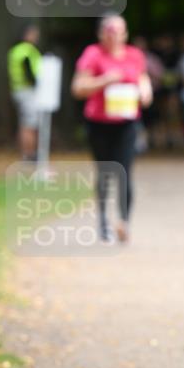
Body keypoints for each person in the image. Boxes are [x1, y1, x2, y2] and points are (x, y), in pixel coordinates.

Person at [71, 15, 153, 243]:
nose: (114, 35)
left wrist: (146, 92)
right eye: (110, 30)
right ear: (101, 33)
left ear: (125, 33)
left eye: (119, 30)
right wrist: (104, 81)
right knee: (105, 172)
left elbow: (143, 79)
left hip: (127, 122)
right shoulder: (93, 54)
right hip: (98, 123)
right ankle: (103, 222)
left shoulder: (134, 55)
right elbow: (77, 88)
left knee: (125, 172)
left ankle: (124, 222)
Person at [7, 24, 42, 160]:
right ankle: (29, 154)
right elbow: (28, 71)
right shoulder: (27, 51)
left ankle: (25, 152)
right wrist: (36, 82)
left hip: (18, 90)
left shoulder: (15, 50)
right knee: (29, 124)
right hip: (27, 91)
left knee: (23, 123)